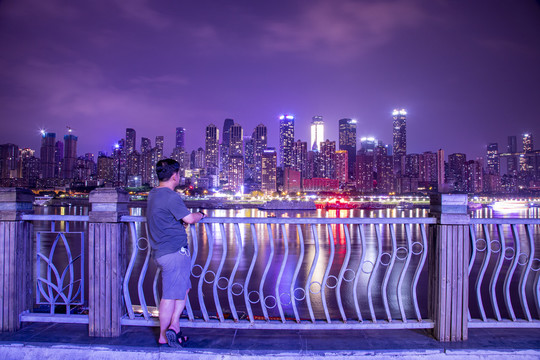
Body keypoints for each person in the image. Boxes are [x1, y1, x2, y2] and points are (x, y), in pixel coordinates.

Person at [146, 159, 206, 348]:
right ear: (174, 176)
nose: (178, 177)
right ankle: (165, 335)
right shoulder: (171, 197)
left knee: (183, 289)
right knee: (170, 296)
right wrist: (201, 215)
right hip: (173, 252)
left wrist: (177, 222)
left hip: (160, 250)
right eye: (178, 174)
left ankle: (175, 328)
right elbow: (189, 218)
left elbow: (164, 217)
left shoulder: (153, 194)